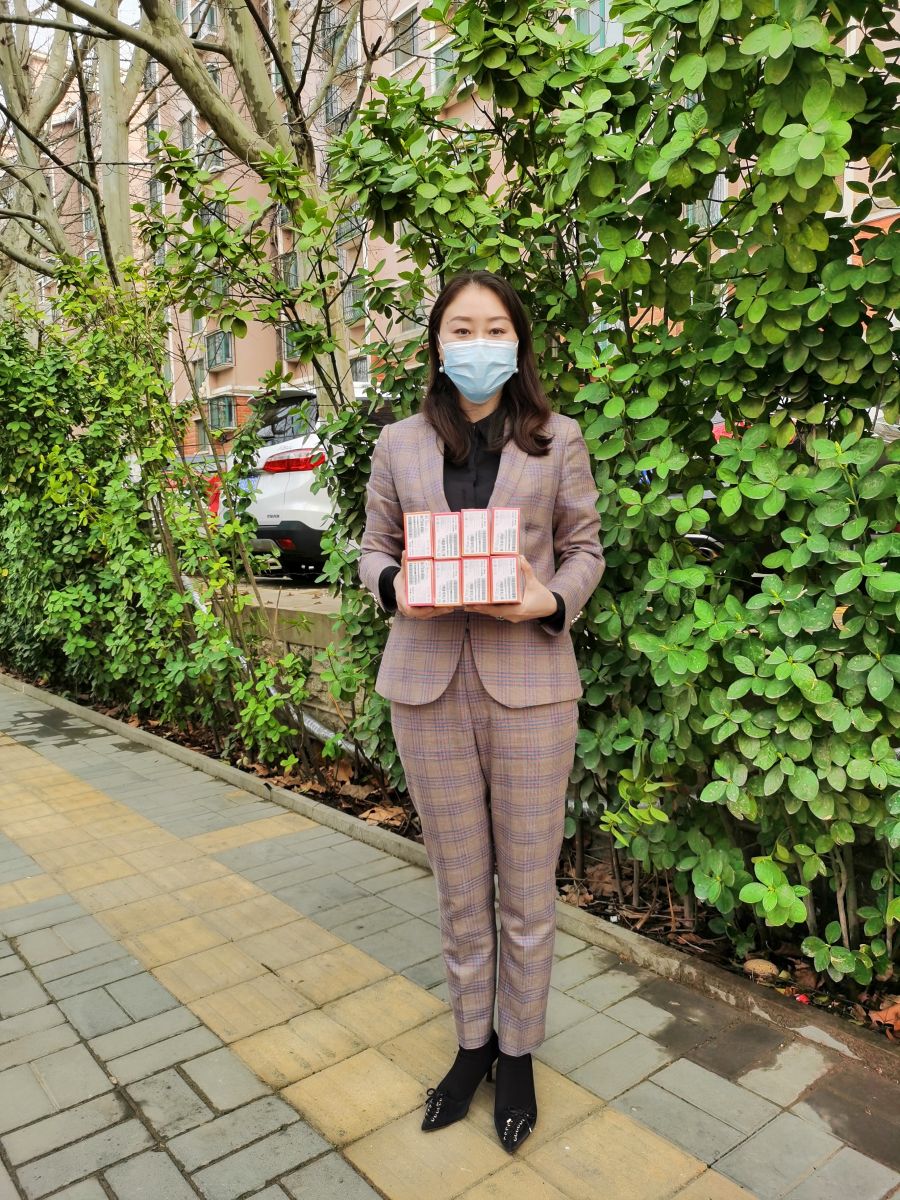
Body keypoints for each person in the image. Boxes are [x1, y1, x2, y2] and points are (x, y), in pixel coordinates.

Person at [358, 270, 605, 1152]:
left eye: (494, 327)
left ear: (517, 341)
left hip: (531, 685)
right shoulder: (399, 442)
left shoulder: (556, 439)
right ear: (437, 343)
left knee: (528, 892)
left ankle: (520, 1053)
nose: (478, 343)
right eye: (461, 328)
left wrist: (550, 601)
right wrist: (393, 585)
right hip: (426, 686)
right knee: (461, 888)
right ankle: (473, 1046)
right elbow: (372, 547)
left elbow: (584, 549)